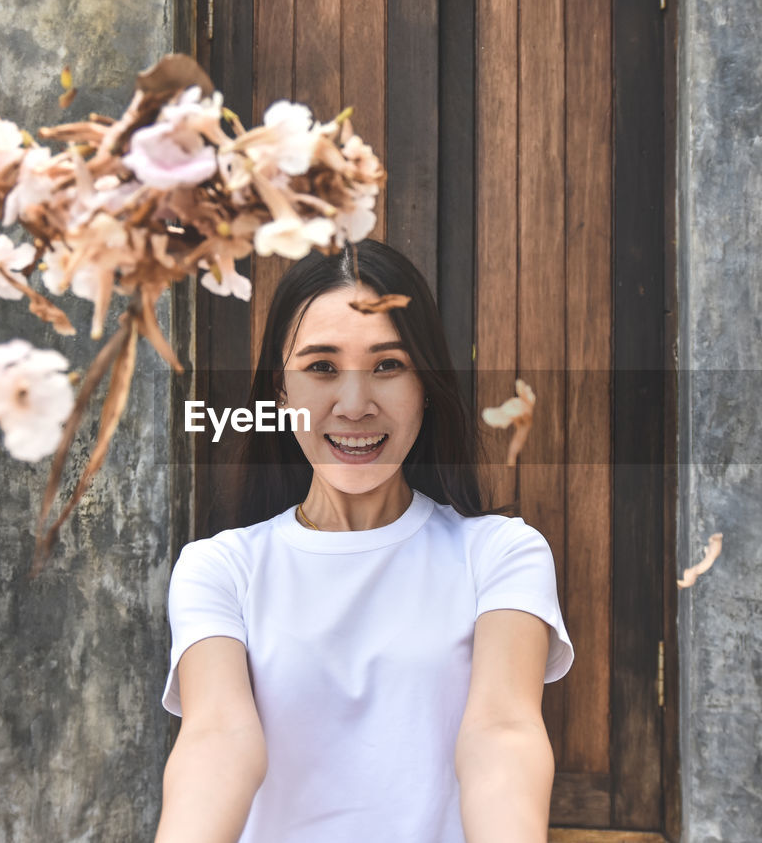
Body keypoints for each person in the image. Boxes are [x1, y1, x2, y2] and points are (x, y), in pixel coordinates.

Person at [156, 239, 574, 843]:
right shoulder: (219, 569)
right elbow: (217, 738)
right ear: (281, 391)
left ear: (425, 385)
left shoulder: (501, 555)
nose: (354, 406)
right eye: (322, 367)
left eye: (387, 365)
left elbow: (502, 733)